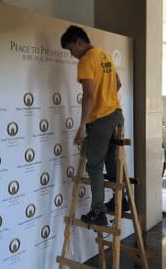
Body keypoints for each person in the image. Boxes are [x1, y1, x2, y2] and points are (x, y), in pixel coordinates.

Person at [61, 25, 125, 226]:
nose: (73, 55)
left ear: (79, 42)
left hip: (101, 119)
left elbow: (88, 95)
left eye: (73, 50)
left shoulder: (87, 60)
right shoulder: (104, 56)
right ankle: (120, 201)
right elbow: (118, 84)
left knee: (94, 165)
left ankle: (99, 213)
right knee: (113, 161)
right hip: (116, 115)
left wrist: (81, 127)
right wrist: (107, 97)